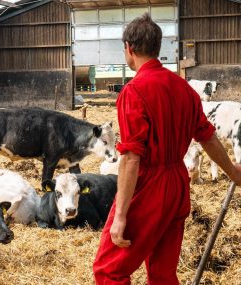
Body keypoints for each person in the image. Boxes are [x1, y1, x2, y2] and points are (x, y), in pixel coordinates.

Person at [92, 13, 241, 284]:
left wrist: (121, 216)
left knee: (109, 271)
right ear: (158, 48)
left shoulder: (134, 91)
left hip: (149, 187)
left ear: (129, 47)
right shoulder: (185, 90)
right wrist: (233, 171)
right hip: (178, 184)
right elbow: (208, 138)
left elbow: (131, 159)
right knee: (163, 274)